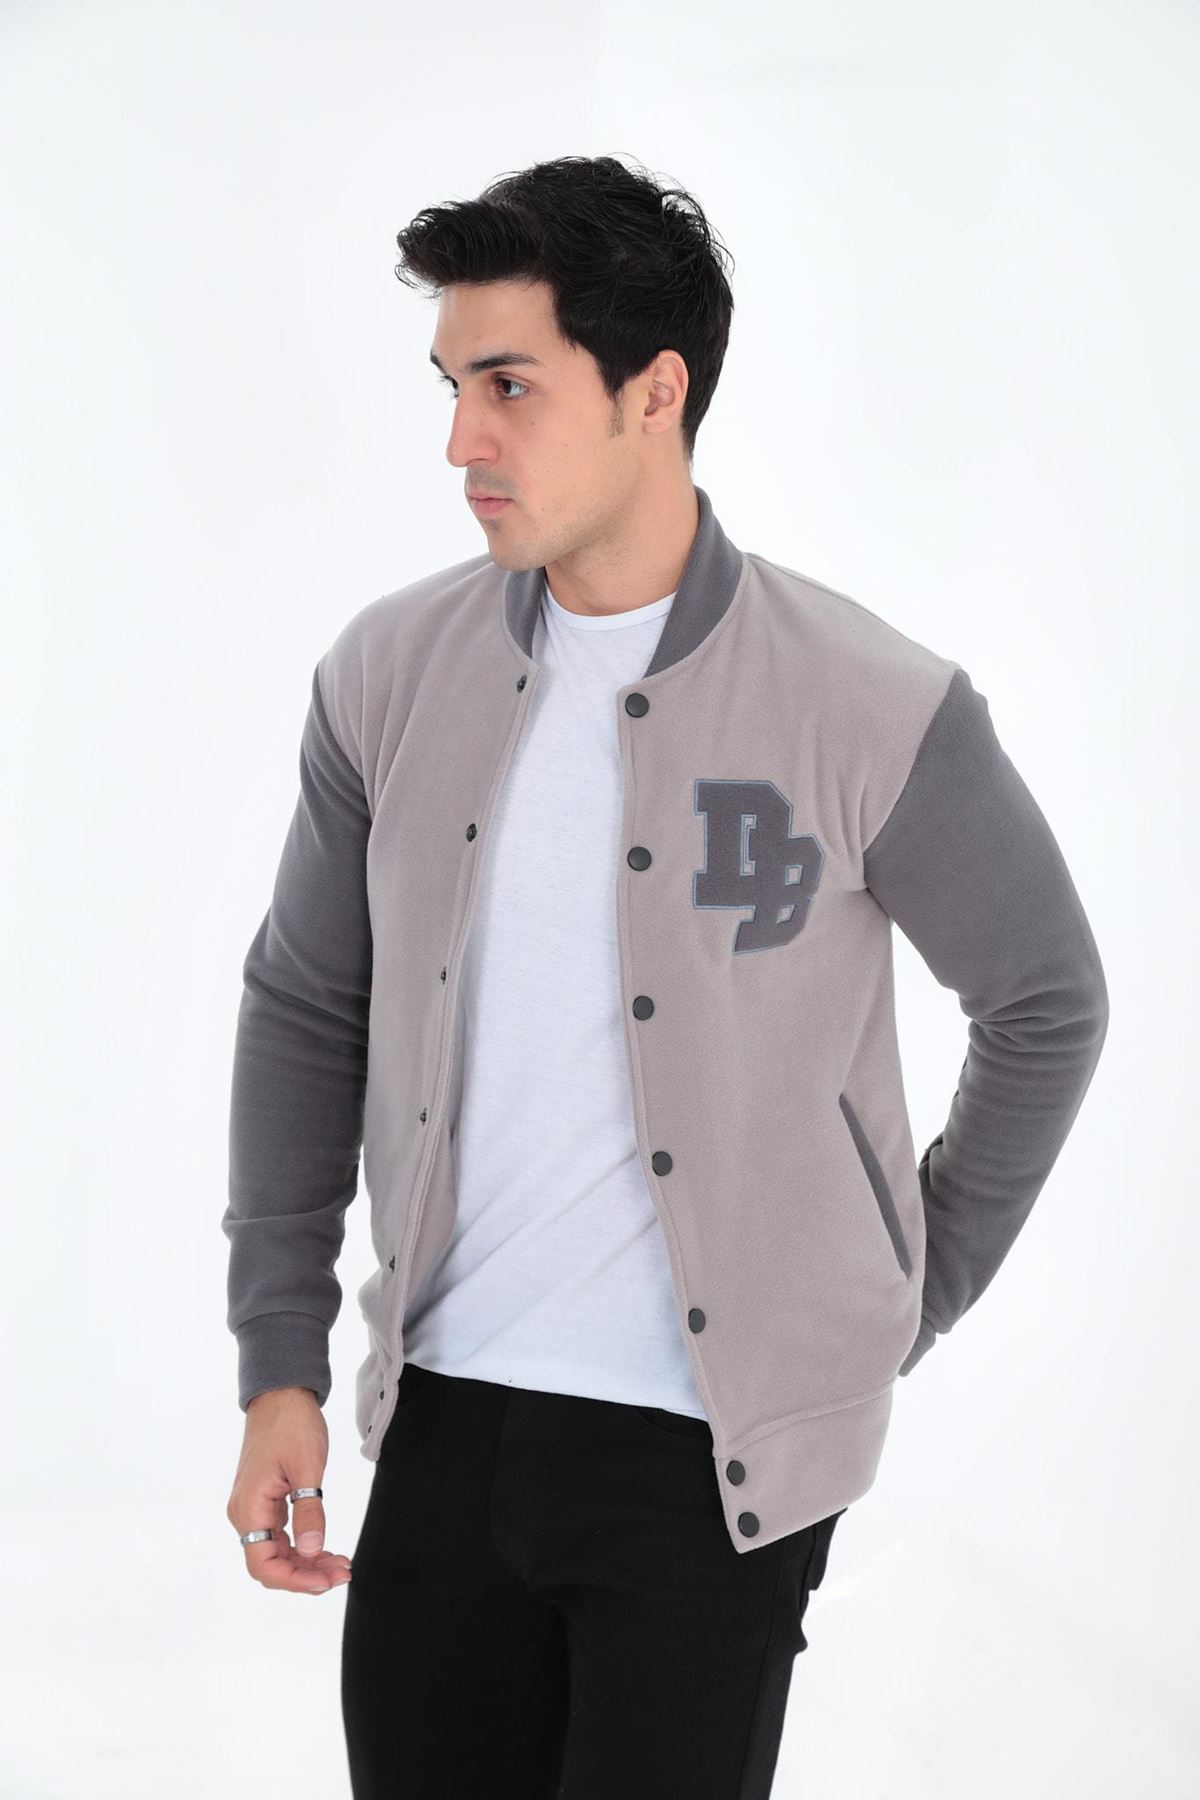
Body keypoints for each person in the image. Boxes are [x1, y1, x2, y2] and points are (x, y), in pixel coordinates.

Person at [222, 154, 1109, 1799]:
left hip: (710, 1465)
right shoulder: (387, 675)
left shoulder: (868, 701)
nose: (461, 440)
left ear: (655, 392)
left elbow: (1047, 998)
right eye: (449, 386)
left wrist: (900, 1294)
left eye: (509, 385)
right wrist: (279, 1358)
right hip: (444, 1422)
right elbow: (305, 1005)